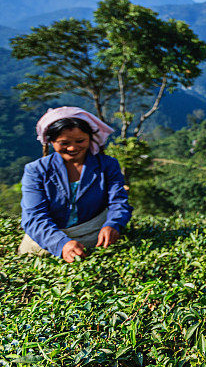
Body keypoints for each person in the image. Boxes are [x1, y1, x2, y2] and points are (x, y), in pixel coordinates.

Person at [19, 107, 133, 262]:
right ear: (52, 141)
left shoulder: (107, 165)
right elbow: (34, 217)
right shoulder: (36, 171)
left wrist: (113, 224)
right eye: (64, 143)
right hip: (47, 237)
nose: (72, 148)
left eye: (80, 141)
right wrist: (62, 243)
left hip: (94, 234)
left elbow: (118, 201)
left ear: (90, 138)